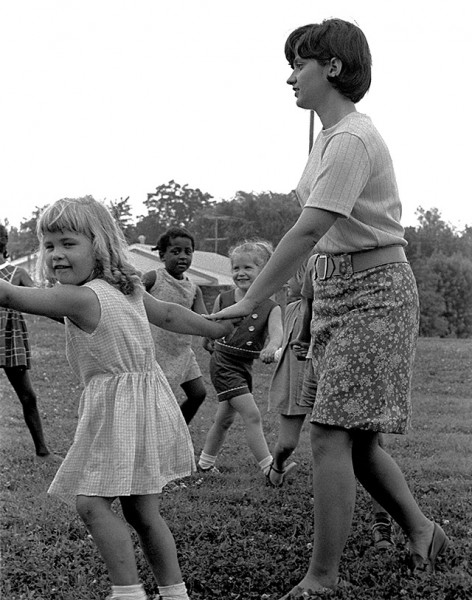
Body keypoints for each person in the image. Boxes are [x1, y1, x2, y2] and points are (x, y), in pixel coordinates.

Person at [206, 19, 450, 597]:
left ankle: (321, 579)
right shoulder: (325, 139)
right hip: (336, 293)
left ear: (332, 68)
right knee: (358, 439)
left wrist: (250, 298)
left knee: (331, 434)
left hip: (376, 294)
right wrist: (310, 308)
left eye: (299, 64)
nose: (290, 76)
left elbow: (311, 228)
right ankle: (424, 533)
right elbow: (320, 245)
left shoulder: (352, 139)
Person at [0, 198, 234, 600]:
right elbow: (173, 316)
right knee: (144, 513)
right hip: (148, 404)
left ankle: (128, 593)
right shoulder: (126, 290)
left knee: (91, 505)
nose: (56, 254)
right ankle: (174, 593)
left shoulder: (79, 297)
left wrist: (212, 329)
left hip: (119, 410)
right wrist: (214, 328)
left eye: (68, 243)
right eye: (49, 245)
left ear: (100, 245)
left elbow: (11, 297)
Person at [198, 240, 283, 478]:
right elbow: (211, 327)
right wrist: (208, 339)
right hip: (224, 363)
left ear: (264, 272)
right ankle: (268, 467)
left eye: (247, 268)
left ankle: (205, 463)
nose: (240, 273)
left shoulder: (270, 307)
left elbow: (277, 334)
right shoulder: (224, 299)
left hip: (244, 366)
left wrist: (272, 347)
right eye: (236, 268)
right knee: (252, 414)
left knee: (224, 418)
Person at [0, 224, 58, 461]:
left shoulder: (15, 273)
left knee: (28, 396)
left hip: (11, 340)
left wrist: (72, 318)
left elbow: (43, 302)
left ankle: (42, 450)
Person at [142, 226, 208, 424]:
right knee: (157, 403)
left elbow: (204, 318)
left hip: (182, 351)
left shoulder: (194, 288)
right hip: (156, 351)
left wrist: (219, 330)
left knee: (198, 394)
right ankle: (156, 434)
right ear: (162, 255)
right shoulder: (154, 279)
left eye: (188, 252)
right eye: (176, 251)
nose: (182, 257)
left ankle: (177, 430)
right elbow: (132, 298)